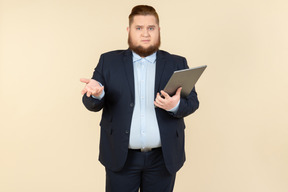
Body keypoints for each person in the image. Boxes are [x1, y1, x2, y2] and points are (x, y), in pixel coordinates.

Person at [80, 5, 199, 192]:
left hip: (163, 158)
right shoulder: (108, 61)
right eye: (139, 28)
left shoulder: (177, 63)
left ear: (158, 30)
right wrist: (97, 94)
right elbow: (91, 103)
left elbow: (192, 102)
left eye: (151, 28)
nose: (145, 34)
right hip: (121, 157)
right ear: (129, 31)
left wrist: (175, 105)